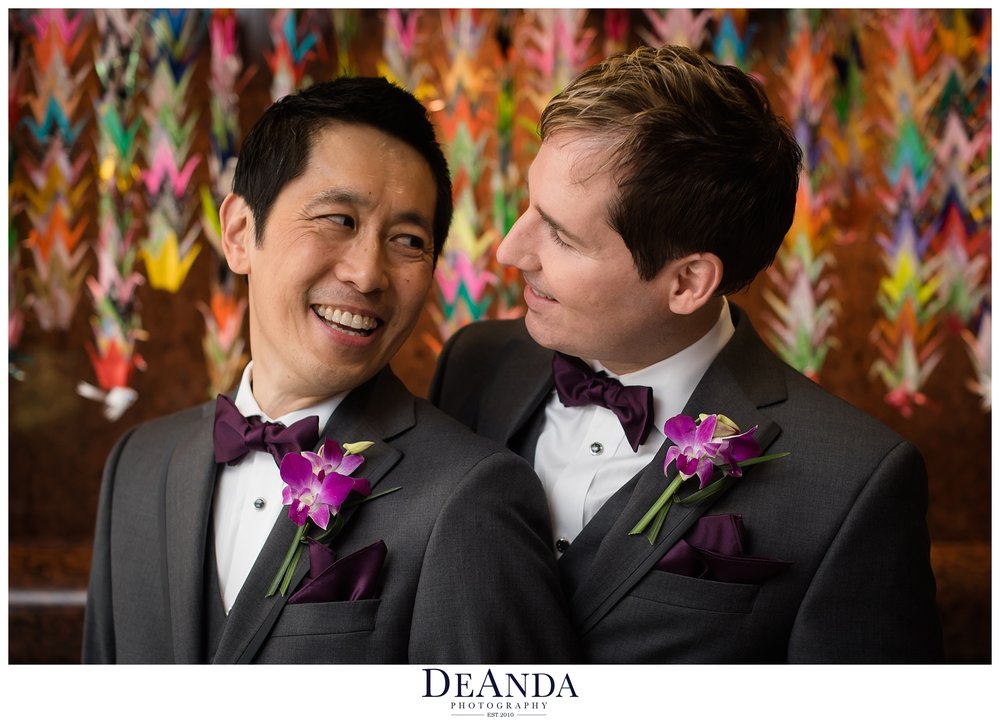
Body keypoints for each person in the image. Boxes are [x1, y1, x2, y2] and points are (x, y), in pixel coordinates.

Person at [431, 45, 942, 662]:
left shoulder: (855, 484)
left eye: (561, 235)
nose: (510, 251)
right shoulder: (473, 365)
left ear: (687, 282)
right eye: (530, 208)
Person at [83, 77, 578, 664]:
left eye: (407, 240)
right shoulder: (138, 464)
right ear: (241, 233)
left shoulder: (472, 497)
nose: (368, 274)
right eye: (339, 219)